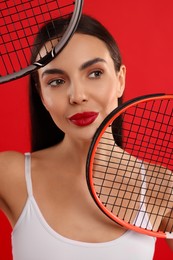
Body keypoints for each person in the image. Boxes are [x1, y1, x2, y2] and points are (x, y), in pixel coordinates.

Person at [0, 14, 172, 260]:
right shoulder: (9, 174)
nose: (77, 95)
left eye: (94, 73)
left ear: (120, 79)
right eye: (57, 81)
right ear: (41, 93)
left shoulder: (162, 186)